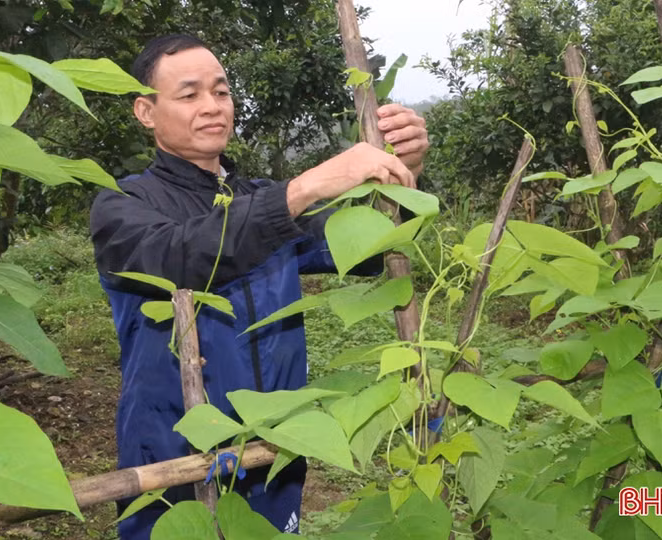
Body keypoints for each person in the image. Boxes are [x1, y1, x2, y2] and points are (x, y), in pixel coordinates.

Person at [89, 34, 429, 540]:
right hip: (172, 452)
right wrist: (306, 185)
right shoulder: (123, 204)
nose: (212, 107)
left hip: (274, 450)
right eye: (189, 95)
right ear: (145, 111)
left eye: (221, 92)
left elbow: (365, 251)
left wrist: (406, 177)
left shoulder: (261, 198)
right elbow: (179, 256)